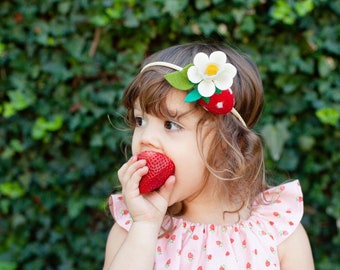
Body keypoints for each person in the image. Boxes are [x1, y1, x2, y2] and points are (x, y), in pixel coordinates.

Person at [103, 42, 314, 270]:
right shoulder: (133, 228)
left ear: (228, 143)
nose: (145, 138)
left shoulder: (277, 231)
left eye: (171, 124)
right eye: (140, 121)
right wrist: (145, 225)